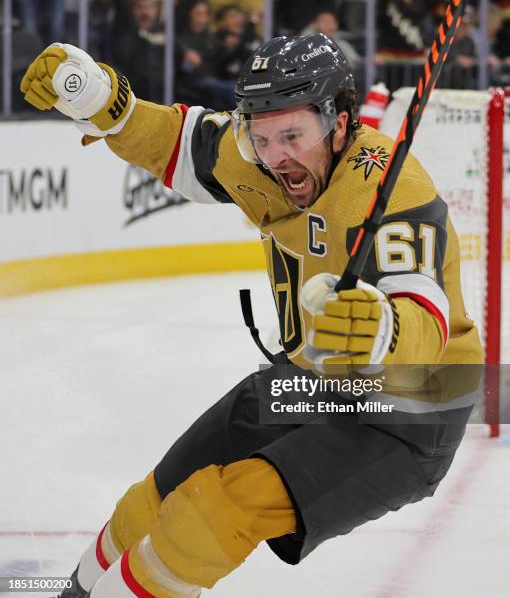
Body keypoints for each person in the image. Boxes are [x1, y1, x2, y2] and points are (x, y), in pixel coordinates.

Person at [20, 34, 483, 597]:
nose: (277, 156)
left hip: (410, 403)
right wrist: (100, 101)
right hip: (314, 376)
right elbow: (179, 141)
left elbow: (424, 314)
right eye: (262, 138)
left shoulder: (391, 187)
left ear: (339, 122)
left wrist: (384, 327)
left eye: (293, 136)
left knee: (211, 513)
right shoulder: (256, 154)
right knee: (155, 500)